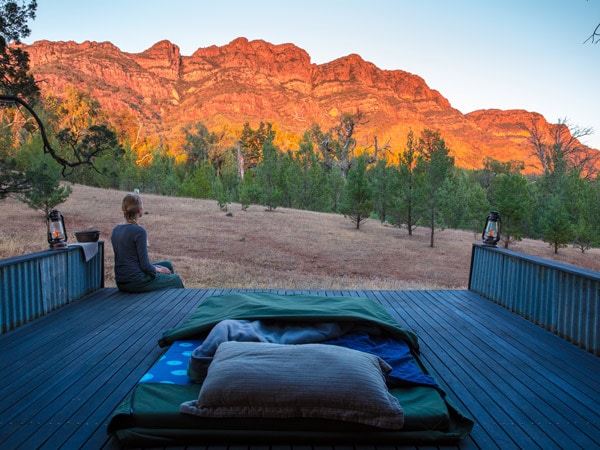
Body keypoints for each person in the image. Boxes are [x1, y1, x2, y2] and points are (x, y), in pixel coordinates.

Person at [111, 193, 184, 293]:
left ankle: (165, 296)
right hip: (135, 281)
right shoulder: (139, 231)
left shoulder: (116, 229)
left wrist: (156, 268)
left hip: (121, 281)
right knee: (175, 279)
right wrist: (158, 270)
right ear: (139, 210)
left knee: (167, 264)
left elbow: (135, 261)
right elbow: (145, 266)